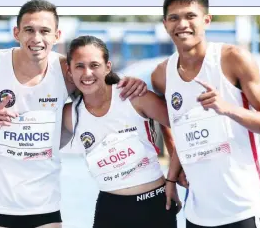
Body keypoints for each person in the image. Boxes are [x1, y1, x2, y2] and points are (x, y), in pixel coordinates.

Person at [0, 0, 147, 228]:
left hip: (45, 203)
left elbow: (103, 86)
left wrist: (131, 81)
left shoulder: (66, 70)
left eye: (45, 31)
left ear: (57, 35)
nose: (36, 38)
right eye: (29, 30)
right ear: (16, 32)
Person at [151, 0, 260, 228]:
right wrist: (171, 177)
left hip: (244, 209)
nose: (182, 24)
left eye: (191, 16)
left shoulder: (232, 59)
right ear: (165, 23)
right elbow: (176, 126)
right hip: (197, 214)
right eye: (174, 18)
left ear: (206, 20)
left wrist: (227, 108)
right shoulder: (161, 75)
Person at [60, 35, 181, 228]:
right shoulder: (70, 115)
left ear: (108, 67)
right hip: (110, 209)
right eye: (79, 66)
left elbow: (184, 125)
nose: (87, 73)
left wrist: (173, 177)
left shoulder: (134, 97)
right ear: (69, 71)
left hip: (154, 205)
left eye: (94, 65)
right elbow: (40, 148)